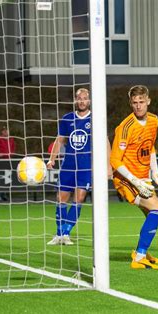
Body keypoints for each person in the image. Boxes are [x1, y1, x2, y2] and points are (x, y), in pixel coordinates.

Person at [110, 85, 158, 269]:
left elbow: (150, 147)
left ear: (148, 101)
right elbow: (115, 160)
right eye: (134, 103)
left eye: (141, 102)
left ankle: (142, 251)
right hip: (125, 180)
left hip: (144, 178)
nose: (138, 106)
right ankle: (139, 256)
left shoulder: (154, 120)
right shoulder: (125, 127)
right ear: (130, 103)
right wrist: (135, 181)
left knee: (156, 217)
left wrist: (157, 175)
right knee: (157, 208)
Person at [47, 88, 94, 245]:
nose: (82, 101)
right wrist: (51, 159)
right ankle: (59, 234)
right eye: (79, 98)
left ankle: (66, 233)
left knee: (79, 199)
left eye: (85, 98)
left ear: (89, 100)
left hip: (85, 167)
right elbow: (59, 140)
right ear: (75, 100)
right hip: (68, 165)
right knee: (61, 199)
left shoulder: (95, 119)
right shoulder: (67, 118)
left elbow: (103, 142)